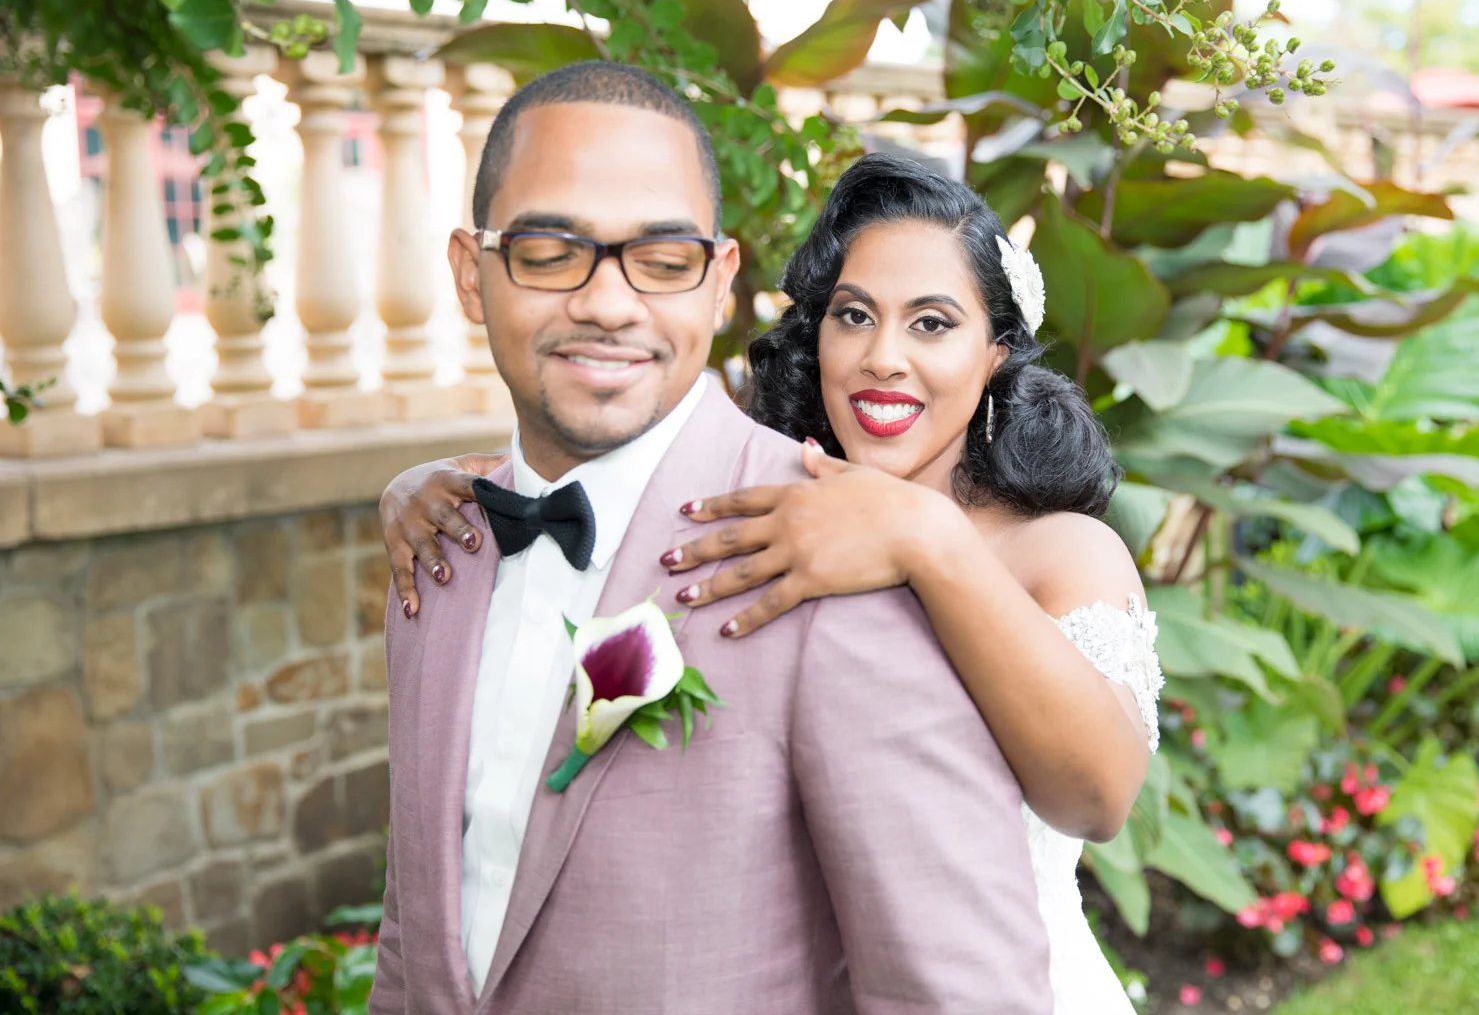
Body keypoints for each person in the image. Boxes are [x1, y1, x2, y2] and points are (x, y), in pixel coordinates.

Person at [381, 150, 1163, 1012]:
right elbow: (596, 481)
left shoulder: (1060, 552)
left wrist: (928, 537)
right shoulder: (768, 510)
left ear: (993, 357)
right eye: (854, 315)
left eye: (932, 324)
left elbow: (1097, 799)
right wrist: (418, 487)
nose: (883, 357)